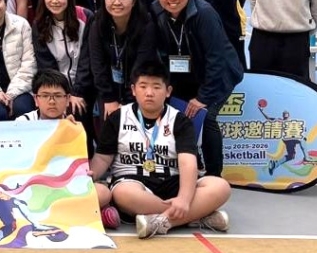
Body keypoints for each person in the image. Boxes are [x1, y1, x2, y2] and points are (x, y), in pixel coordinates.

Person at [90, 63, 231, 238]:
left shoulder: (180, 120)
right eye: (143, 86)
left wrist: (184, 199)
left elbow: (187, 163)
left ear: (168, 91)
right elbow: (103, 158)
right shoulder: (118, 117)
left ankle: (161, 222)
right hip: (132, 181)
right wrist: (90, 175)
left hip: (172, 182)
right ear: (133, 90)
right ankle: (195, 215)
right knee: (122, 194)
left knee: (220, 186)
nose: (149, 93)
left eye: (156, 87)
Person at [149, 0, 242, 177]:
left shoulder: (204, 13)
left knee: (205, 117)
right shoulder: (156, 10)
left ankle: (214, 174)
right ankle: (191, 166)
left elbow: (216, 59)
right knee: (175, 116)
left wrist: (203, 97)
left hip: (219, 75)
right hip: (185, 75)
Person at [79, 0, 159, 122]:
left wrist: (128, 101)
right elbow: (98, 65)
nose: (116, 2)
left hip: (138, 89)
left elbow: (142, 65)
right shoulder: (97, 25)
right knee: (109, 125)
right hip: (108, 89)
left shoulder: (146, 25)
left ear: (134, 1)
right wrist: (109, 99)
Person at [31, 0, 90, 116]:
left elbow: (87, 60)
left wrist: (76, 92)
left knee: (79, 111)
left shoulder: (85, 17)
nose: (54, 0)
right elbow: (46, 65)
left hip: (84, 86)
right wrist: (63, 96)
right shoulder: (39, 24)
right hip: (56, 89)